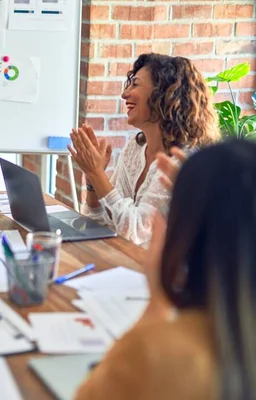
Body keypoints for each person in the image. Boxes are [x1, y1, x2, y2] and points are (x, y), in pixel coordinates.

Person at [75, 139, 256, 400]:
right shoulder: (132, 150)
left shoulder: (153, 352)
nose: (125, 95)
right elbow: (101, 218)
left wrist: (156, 303)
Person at [67, 53, 220, 246]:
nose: (124, 94)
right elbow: (101, 224)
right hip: (127, 263)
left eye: (135, 84)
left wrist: (97, 174)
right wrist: (92, 182)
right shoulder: (135, 149)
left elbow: (134, 232)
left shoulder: (182, 163)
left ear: (164, 94)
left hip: (164, 274)